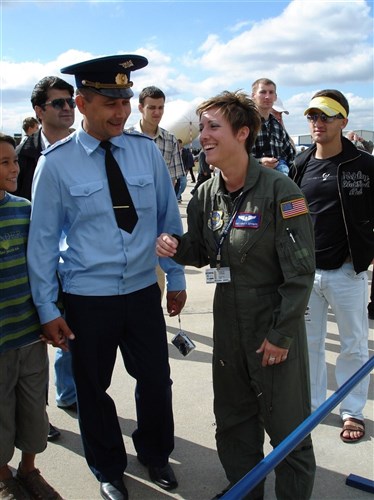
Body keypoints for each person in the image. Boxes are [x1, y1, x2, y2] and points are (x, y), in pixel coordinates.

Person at [27, 54, 187, 500]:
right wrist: (46, 308)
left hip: (140, 290)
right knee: (92, 390)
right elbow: (41, 244)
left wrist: (174, 277)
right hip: (86, 297)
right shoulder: (55, 163)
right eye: (107, 102)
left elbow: (165, 219)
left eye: (125, 100)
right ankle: (108, 469)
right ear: (81, 103)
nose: (120, 112)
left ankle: (156, 454)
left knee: (156, 380)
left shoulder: (144, 152)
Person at [157, 90, 316, 499]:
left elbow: (299, 275)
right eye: (202, 127)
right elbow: (203, 251)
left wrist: (281, 335)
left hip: (272, 329)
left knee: (288, 430)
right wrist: (175, 245)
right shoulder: (207, 193)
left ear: (242, 133)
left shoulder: (283, 192)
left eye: (214, 127)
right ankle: (245, 491)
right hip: (228, 326)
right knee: (232, 422)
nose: (202, 136)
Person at [290, 89, 374, 443]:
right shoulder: (301, 164)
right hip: (307, 274)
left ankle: (352, 411)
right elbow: (291, 211)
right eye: (312, 116)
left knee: (354, 344)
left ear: (343, 121)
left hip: (347, 272)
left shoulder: (365, 166)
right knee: (309, 345)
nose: (317, 123)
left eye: (325, 116)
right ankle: (312, 408)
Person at [16, 75, 78, 441]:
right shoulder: (21, 158)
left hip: (71, 272)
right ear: (39, 112)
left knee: (71, 340)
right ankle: (37, 421)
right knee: (35, 355)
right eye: (58, 103)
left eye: (70, 101)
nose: (68, 107)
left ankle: (69, 395)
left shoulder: (83, 150)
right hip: (32, 273)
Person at [0, 133, 62, 500]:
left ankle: (29, 469)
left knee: (33, 411)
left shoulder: (24, 209)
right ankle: (4, 477)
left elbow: (43, 265)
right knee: (1, 415)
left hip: (28, 334)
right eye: (4, 163)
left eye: (13, 160)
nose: (14, 168)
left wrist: (49, 314)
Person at [251, 78, 296, 175]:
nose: (267, 96)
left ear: (275, 97)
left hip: (275, 184)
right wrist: (259, 162)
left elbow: (291, 156)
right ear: (253, 96)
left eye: (271, 92)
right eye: (263, 92)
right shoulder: (244, 122)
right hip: (249, 181)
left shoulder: (277, 126)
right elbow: (233, 156)